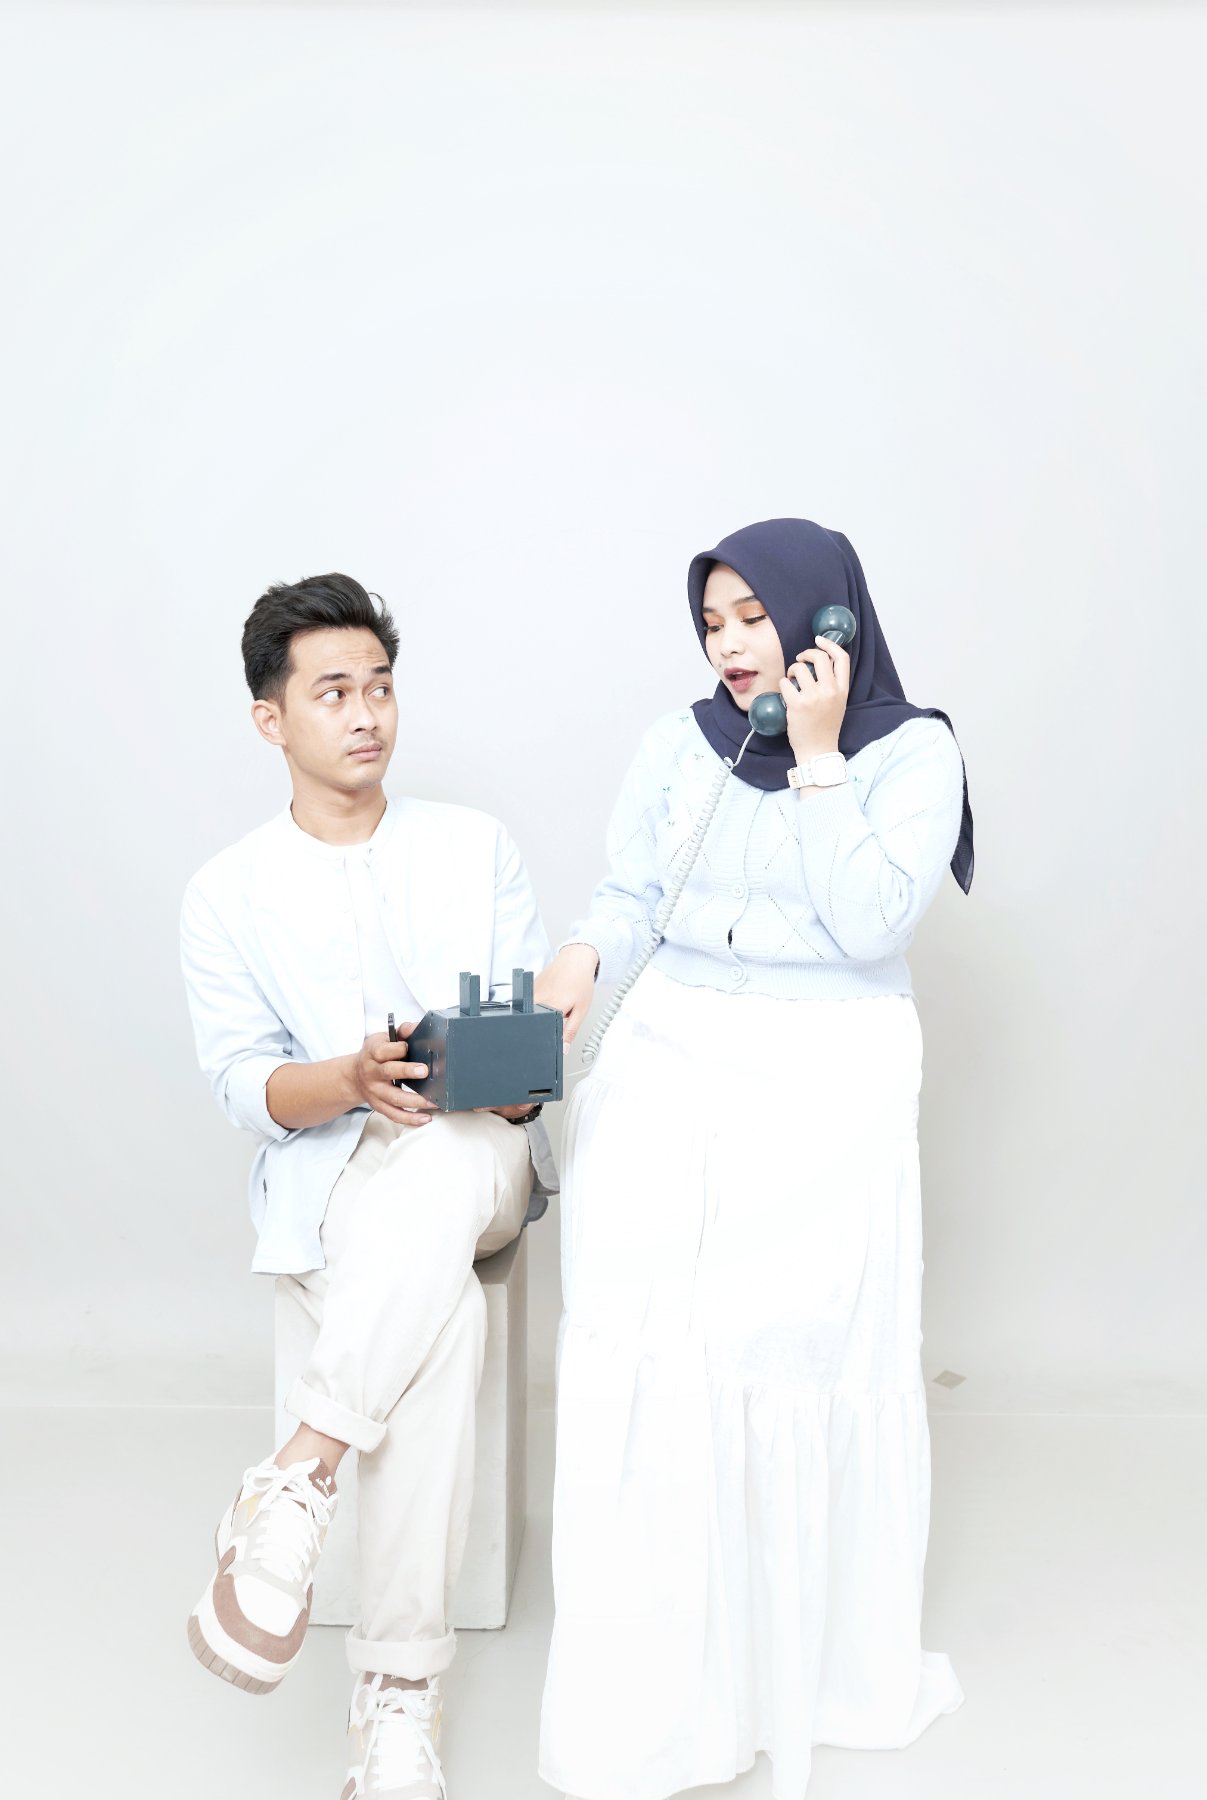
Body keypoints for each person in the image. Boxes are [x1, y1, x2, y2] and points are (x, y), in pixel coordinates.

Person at [536, 518, 974, 1800]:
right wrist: (582, 958)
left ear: (826, 619)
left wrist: (821, 759)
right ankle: (656, 1683)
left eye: (751, 618)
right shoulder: (684, 744)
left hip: (826, 1061)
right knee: (638, 1328)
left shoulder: (913, 753)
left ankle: (776, 1667)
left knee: (768, 1344)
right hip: (675, 1037)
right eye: (710, 624)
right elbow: (633, 895)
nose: (729, 647)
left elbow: (872, 922)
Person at [180, 573, 555, 1800]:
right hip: (332, 1175)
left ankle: (297, 1473)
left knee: (441, 1161)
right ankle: (398, 1697)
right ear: (270, 718)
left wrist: (504, 1080)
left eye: (380, 688)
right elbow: (246, 1086)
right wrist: (348, 1078)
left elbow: (525, 1054)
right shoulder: (227, 892)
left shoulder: (475, 847)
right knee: (439, 1325)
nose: (365, 715)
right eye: (333, 691)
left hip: (479, 1156)